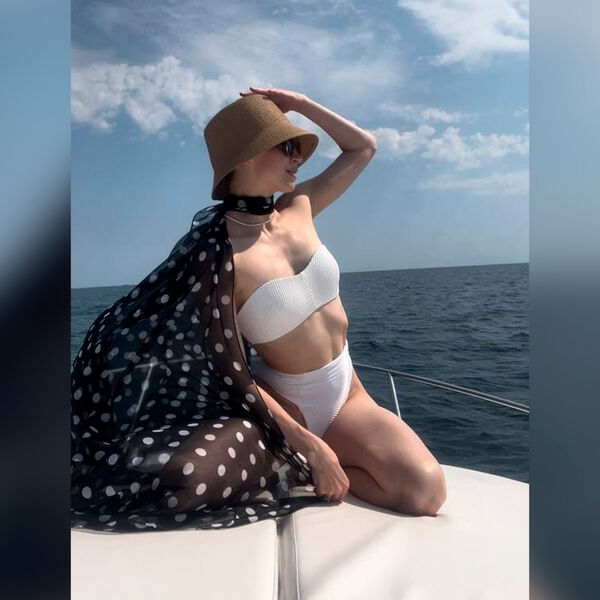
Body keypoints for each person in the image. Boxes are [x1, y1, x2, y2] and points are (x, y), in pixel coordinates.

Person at [212, 87, 446, 515]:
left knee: (425, 491)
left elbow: (363, 147)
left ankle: (302, 471)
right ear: (246, 157)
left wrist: (300, 103)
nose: (298, 157)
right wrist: (309, 446)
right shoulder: (220, 257)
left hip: (348, 397)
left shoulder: (298, 206)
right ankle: (305, 460)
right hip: (284, 410)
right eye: (286, 147)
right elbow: (228, 369)